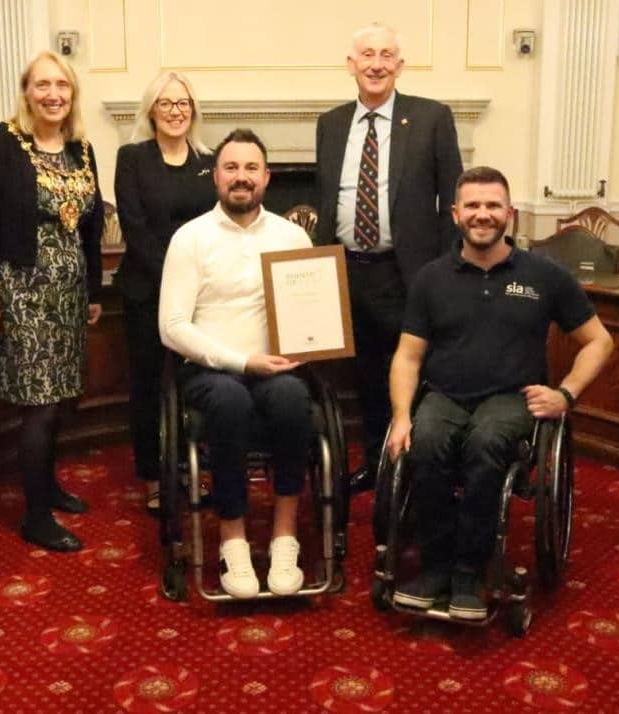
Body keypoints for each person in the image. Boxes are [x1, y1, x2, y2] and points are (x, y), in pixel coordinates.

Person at [385, 166, 613, 619]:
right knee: (424, 442)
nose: (482, 214)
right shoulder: (431, 278)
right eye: (473, 205)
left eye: (492, 206)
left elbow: (599, 341)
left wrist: (565, 394)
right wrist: (401, 415)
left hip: (512, 398)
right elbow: (408, 356)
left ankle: (470, 571)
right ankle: (435, 568)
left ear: (509, 213)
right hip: (445, 395)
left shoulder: (544, 275)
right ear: (455, 214)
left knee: (486, 443)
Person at [158, 129, 315, 599]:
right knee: (228, 401)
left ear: (266, 178)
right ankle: (233, 540)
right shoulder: (190, 239)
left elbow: (313, 311)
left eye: (251, 169)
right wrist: (241, 361)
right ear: (216, 178)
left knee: (293, 397)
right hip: (211, 371)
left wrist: (312, 342)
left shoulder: (293, 236)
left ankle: (285, 536)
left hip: (278, 368)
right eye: (231, 168)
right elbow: (172, 327)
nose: (241, 178)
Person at [314, 23, 463, 492]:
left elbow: (451, 203)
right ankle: (377, 460)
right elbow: (325, 201)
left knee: (412, 372)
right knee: (364, 374)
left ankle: (416, 467)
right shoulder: (330, 123)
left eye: (386, 55)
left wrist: (445, 270)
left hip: (407, 275)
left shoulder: (432, 118)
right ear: (350, 64)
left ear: (400, 65)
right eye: (366, 55)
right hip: (346, 272)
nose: (376, 63)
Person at [0, 51, 104, 552]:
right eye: (42, 85)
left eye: (62, 85)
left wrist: (93, 291)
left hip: (67, 297)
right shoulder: (3, 141)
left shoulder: (81, 149)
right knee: (39, 405)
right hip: (20, 291)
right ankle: (36, 516)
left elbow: (91, 229)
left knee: (60, 398)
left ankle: (48, 487)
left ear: (72, 94)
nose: (53, 94)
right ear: (26, 91)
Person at [114, 71, 216, 516]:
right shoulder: (132, 157)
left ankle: (199, 464)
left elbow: (217, 229)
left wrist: (199, 285)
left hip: (203, 297)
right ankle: (154, 476)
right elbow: (135, 229)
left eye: (183, 103)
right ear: (151, 110)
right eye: (166, 103)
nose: (176, 111)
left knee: (202, 382)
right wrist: (178, 281)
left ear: (192, 110)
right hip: (147, 290)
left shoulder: (210, 161)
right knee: (149, 385)